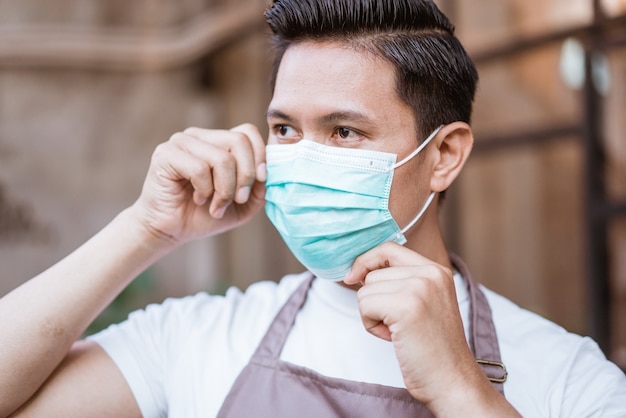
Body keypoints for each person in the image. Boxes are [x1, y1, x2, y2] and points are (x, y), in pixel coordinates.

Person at [1, 0, 625, 416]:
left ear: (445, 156)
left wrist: (463, 390)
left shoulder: (568, 376)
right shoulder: (199, 337)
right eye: (285, 130)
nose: (302, 157)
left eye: (345, 132)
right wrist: (144, 229)